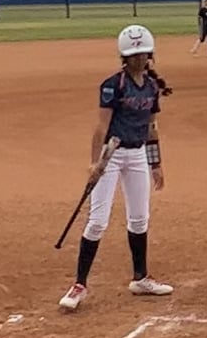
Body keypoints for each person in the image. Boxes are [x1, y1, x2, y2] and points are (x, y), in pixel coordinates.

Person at [59, 24, 174, 311]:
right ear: (125, 57)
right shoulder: (113, 85)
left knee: (139, 218)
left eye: (143, 54)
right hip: (111, 155)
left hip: (137, 155)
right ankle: (79, 284)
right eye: (134, 55)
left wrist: (156, 163)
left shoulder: (152, 88)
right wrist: (94, 162)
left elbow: (151, 128)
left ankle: (140, 278)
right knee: (98, 220)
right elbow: (101, 127)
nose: (139, 59)